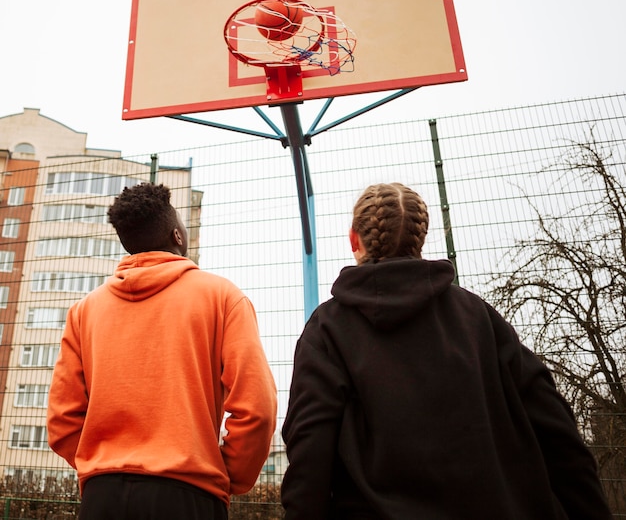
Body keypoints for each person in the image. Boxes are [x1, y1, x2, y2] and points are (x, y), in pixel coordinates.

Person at [281, 182, 612, 519]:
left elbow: (310, 450)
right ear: (419, 239)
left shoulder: (327, 329)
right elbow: (557, 432)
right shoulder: (479, 318)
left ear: (354, 239)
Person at [47, 182, 277, 520]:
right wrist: (229, 476)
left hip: (102, 496)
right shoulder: (222, 297)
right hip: (189, 493)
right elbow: (257, 407)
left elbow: (61, 420)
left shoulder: (84, 311)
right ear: (178, 236)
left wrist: (102, 464)